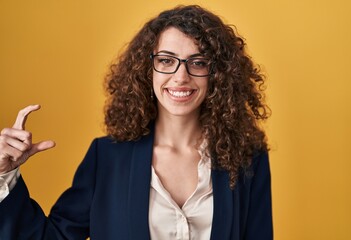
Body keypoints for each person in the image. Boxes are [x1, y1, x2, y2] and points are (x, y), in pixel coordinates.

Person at [0, 5, 272, 240]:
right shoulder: (106, 157)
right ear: (146, 68)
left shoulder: (247, 158)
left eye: (198, 62)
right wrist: (5, 175)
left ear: (218, 74)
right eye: (166, 61)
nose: (180, 77)